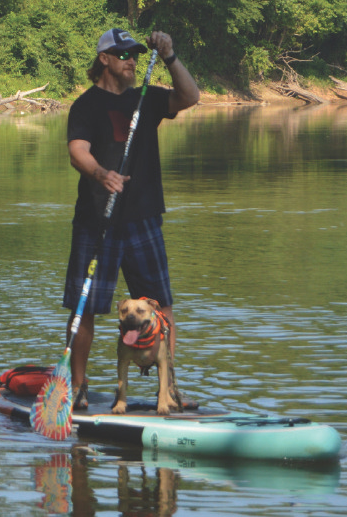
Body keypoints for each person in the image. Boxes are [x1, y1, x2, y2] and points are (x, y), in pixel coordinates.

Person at [63, 27, 199, 409]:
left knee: (163, 307)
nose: (131, 61)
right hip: (97, 222)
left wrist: (170, 56)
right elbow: (78, 152)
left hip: (143, 220)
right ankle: (78, 387)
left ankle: (168, 390)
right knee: (85, 308)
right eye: (123, 55)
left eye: (135, 55)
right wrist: (101, 174)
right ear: (104, 59)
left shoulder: (147, 99)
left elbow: (191, 96)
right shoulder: (86, 106)